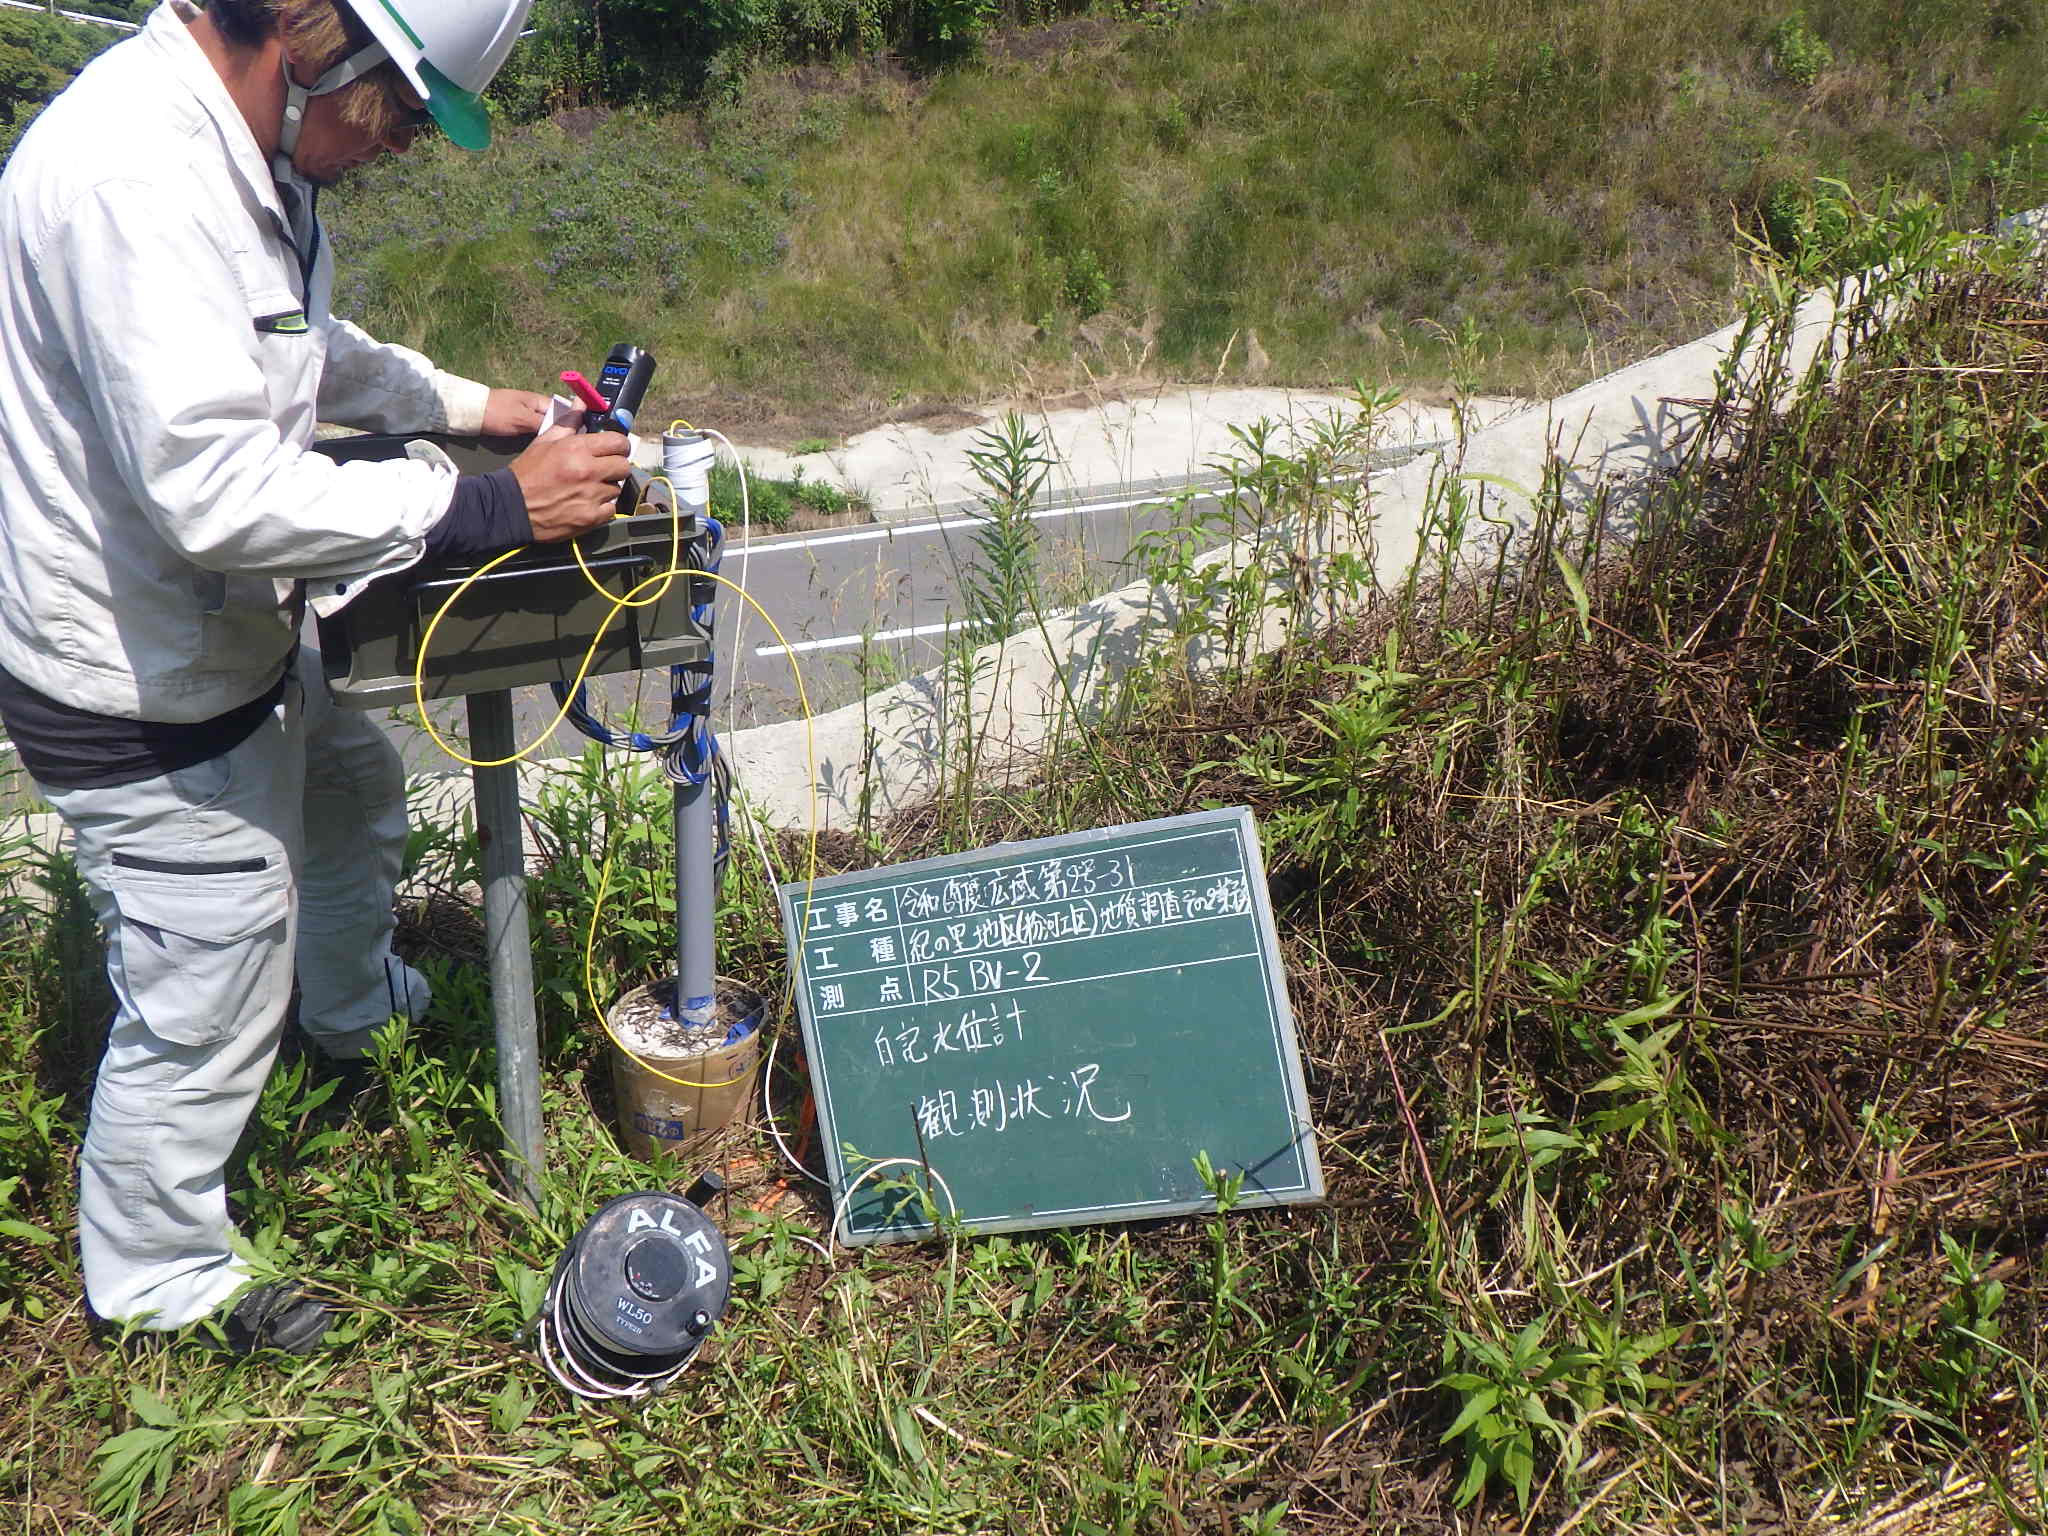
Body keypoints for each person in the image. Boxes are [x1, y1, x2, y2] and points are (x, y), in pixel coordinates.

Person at [0, 0, 629, 1354]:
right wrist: (490, 508)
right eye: (401, 107)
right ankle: (159, 1279)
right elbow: (214, 494)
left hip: (220, 632)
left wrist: (473, 410)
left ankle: (349, 1023)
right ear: (313, 38)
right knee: (212, 971)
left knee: (349, 794)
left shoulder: (245, 160)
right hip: (129, 677)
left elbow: (300, 349)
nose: (402, 140)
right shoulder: (131, 180)